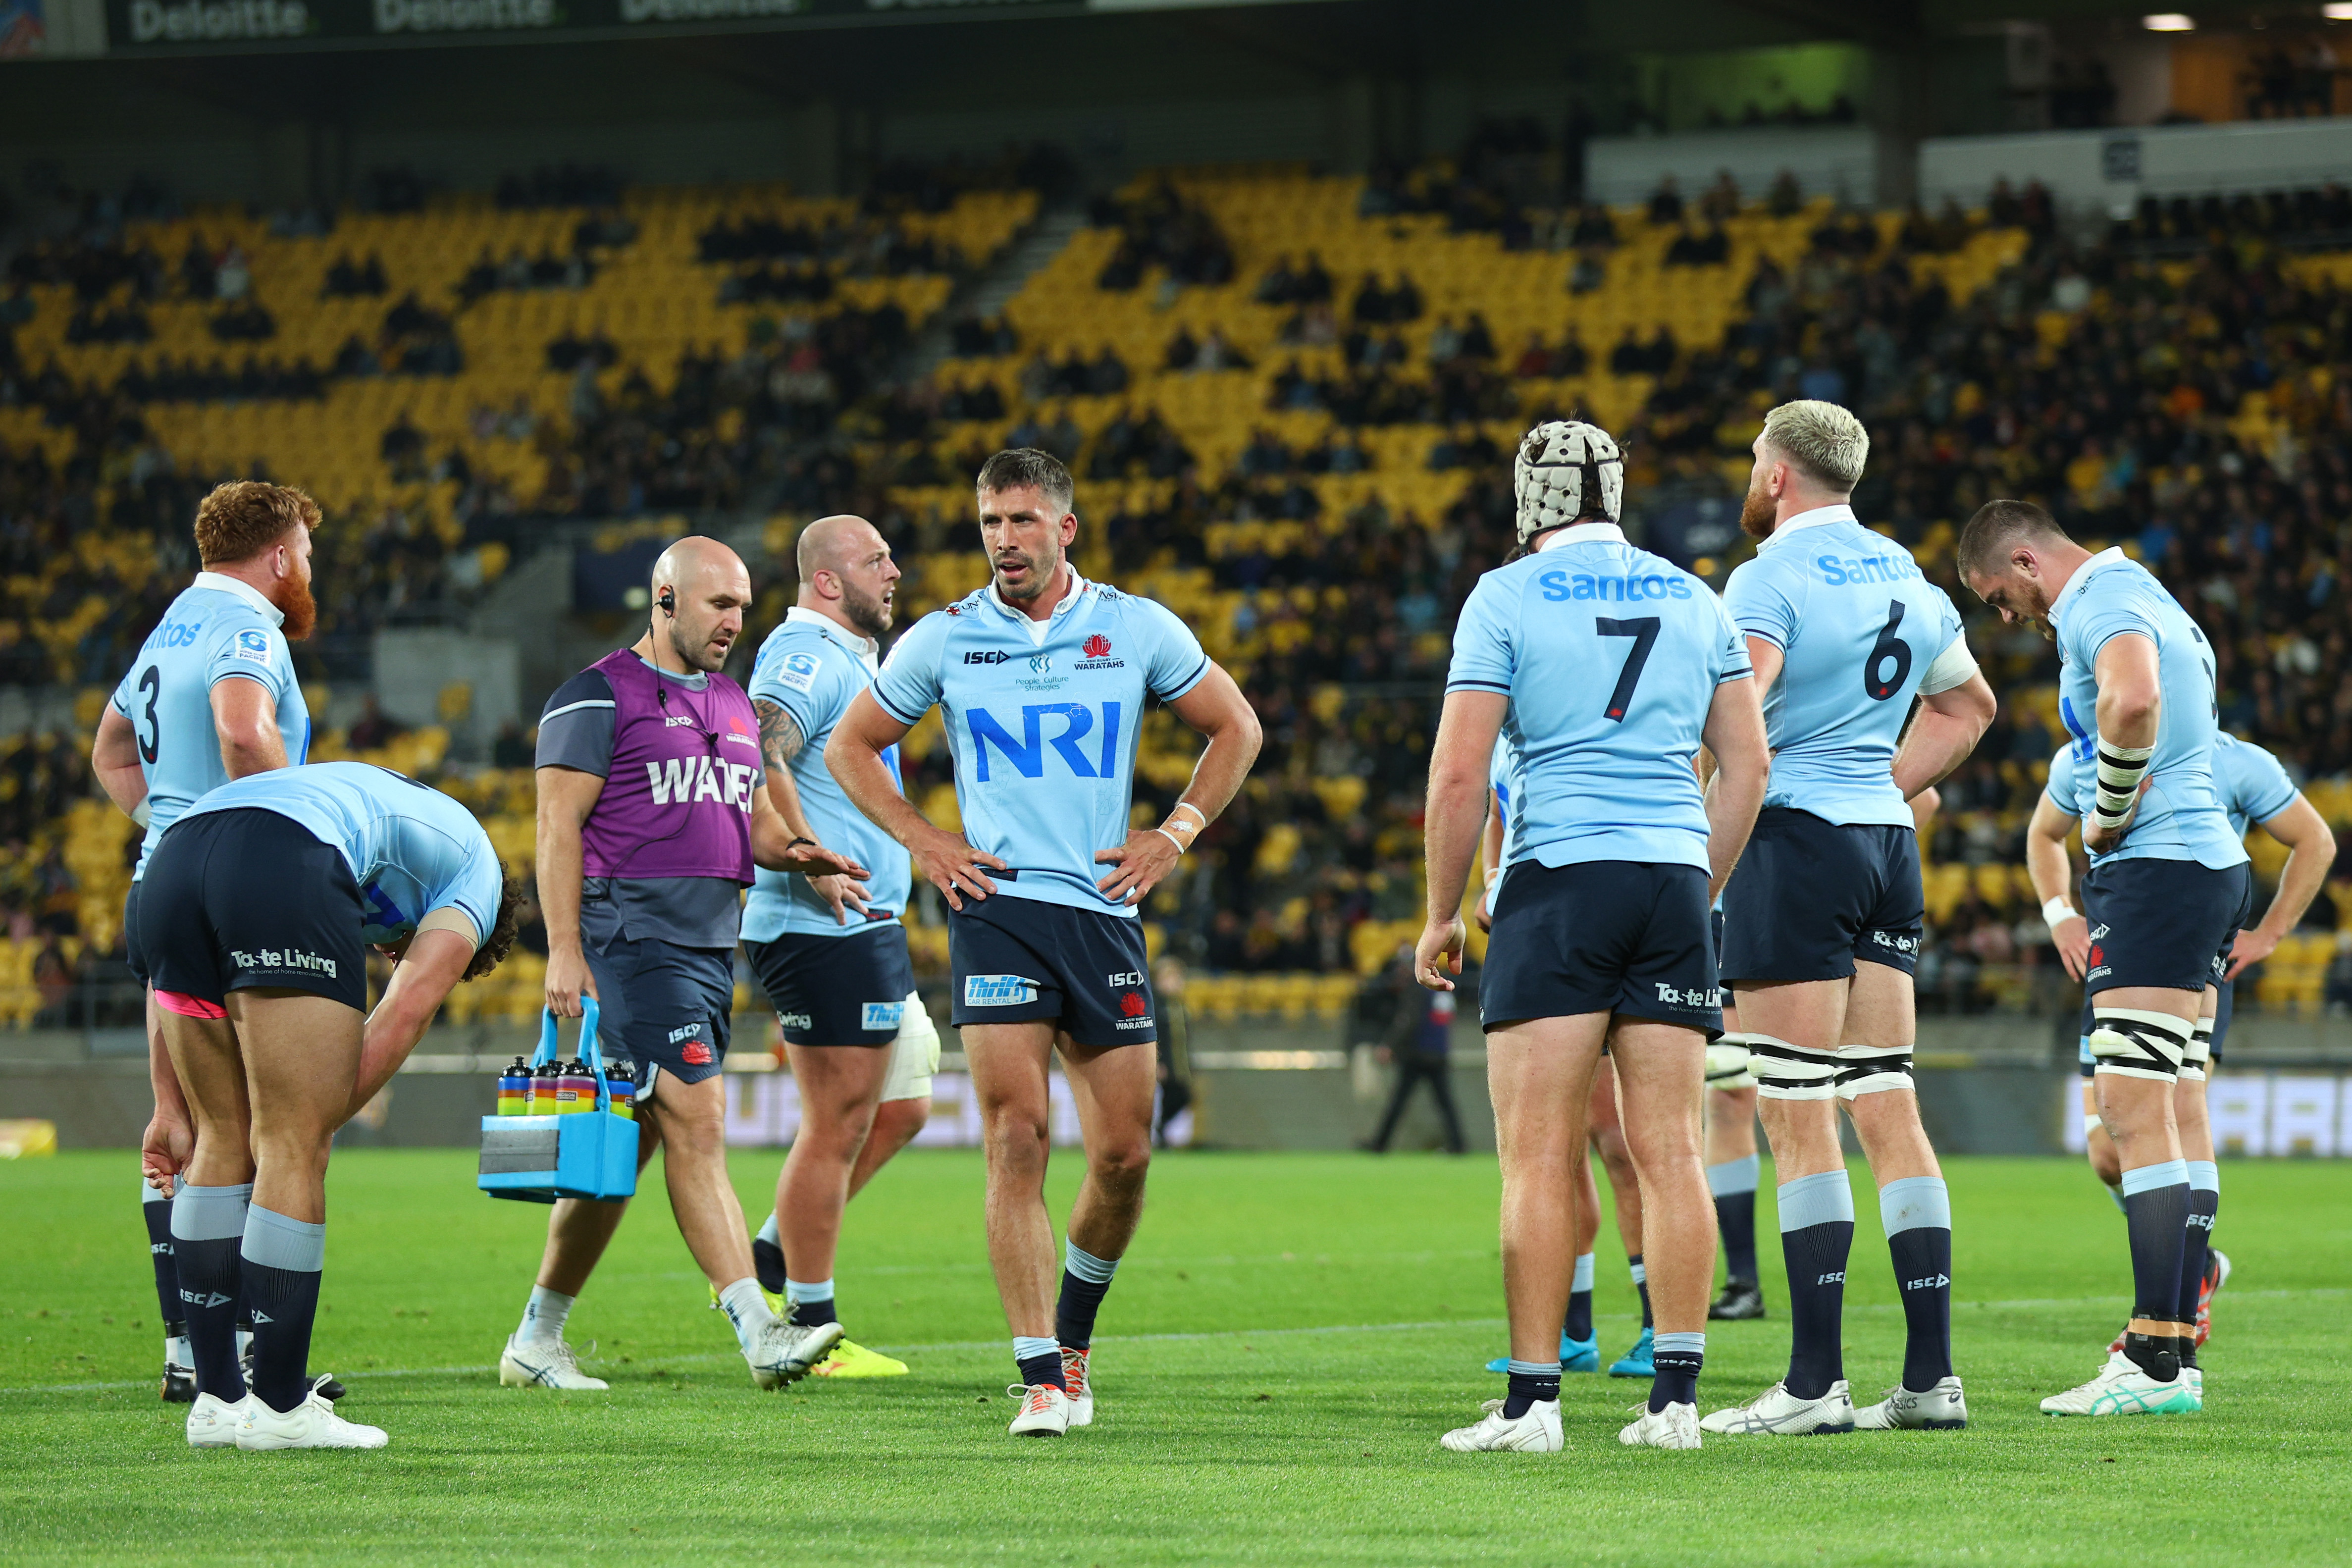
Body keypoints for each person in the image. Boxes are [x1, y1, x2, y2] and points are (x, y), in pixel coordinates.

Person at [829, 447, 1261, 1438]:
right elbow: (851, 744)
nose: (1003, 539)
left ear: (1065, 528)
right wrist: (924, 838)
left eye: (1022, 520)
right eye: (989, 521)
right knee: (1014, 1130)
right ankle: (1036, 1374)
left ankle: (1072, 1335)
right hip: (995, 907)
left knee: (1124, 1155)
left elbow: (1234, 728)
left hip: (1103, 909)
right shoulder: (944, 638)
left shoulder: (1136, 625)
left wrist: (1173, 833)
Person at [1417, 418, 1769, 1454]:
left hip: (1557, 880)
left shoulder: (1504, 595)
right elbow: (1746, 766)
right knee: (1671, 1151)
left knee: (1534, 1151)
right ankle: (1674, 1402)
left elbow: (1456, 773)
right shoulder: (1692, 594)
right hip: (1667, 881)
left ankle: (1531, 1404)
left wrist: (1440, 909)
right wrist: (1696, 879)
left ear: (1529, 499)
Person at [499, 537, 862, 1395]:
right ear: (664, 601)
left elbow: (756, 825)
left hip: (706, 947)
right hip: (630, 942)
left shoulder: (736, 703)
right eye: (718, 605)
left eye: (741, 605)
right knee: (699, 1121)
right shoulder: (593, 697)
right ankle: (758, 1329)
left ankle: (535, 1337)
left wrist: (805, 854)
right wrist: (563, 949)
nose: (735, 621)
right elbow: (556, 830)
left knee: (623, 1153)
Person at [1704, 402, 1996, 1439]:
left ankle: (1813, 1382)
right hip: (1884, 847)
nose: (1749, 474)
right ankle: (1928, 1379)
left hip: (1794, 843)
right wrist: (1880, 775)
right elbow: (1970, 708)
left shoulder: (1766, 578)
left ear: (1778, 473)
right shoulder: (1903, 575)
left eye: (1751, 460)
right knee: (1885, 1099)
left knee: (1793, 1104)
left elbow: (1736, 722)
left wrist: (1699, 859)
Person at [1958, 498, 2251, 1419]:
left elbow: (2130, 699)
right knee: (2159, 1107)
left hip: (2157, 869)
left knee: (2129, 1111)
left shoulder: (2098, 601)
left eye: (1997, 594)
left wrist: (2109, 809)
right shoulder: (2151, 595)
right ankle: (2164, 1351)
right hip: (2198, 868)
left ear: (2023, 559)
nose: (2005, 615)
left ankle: (2154, 1364)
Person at [135, 761, 523, 1449]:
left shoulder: (400, 821)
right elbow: (405, 1008)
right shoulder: (479, 883)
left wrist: (174, 1104)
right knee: (292, 1141)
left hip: (172, 862)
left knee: (223, 1132)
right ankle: (282, 1407)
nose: (386, 948)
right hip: (280, 858)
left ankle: (217, 1401)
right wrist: (309, 1114)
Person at [87, 480, 322, 1408]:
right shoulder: (247, 626)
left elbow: (110, 748)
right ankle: (255, 1360)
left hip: (164, 882)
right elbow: (241, 730)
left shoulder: (171, 626)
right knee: (259, 1130)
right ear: (275, 556)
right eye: (304, 553)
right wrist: (295, 832)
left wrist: (169, 827)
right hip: (238, 894)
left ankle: (191, 1349)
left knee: (175, 1130)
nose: (307, 570)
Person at [2026, 731, 2328, 1355]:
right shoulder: (2086, 753)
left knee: (2176, 1115)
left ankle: (2177, 1305)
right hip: (2118, 951)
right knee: (2109, 1154)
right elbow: (2043, 833)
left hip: (2193, 959)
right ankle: (2200, 1265)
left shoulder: (2235, 760)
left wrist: (2268, 935)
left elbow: (2314, 840)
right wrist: (2061, 914)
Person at [735, 515, 936, 1379]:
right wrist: (805, 855)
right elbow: (756, 746)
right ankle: (808, 1327)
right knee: (837, 1122)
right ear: (825, 581)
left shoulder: (849, 656)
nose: (894, 570)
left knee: (904, 1103)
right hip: (818, 924)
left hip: (863, 923)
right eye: (875, 559)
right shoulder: (805, 657)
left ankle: (777, 1248)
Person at [1474, 747, 1658, 1378]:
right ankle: (1573, 1330)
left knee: (1620, 1142)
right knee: (1563, 1143)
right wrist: (1491, 879)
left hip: (1605, 916)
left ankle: (1659, 1323)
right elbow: (1497, 811)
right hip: (1539, 925)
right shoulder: (1505, 722)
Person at [1361, 946, 1467, 1155]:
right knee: (1445, 1104)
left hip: (1418, 1054)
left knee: (1398, 1103)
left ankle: (1380, 1144)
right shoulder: (1442, 986)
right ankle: (1458, 1145)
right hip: (1438, 1053)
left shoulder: (1417, 987)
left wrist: (1389, 1045)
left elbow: (1407, 1021)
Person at [1151, 956, 1195, 1148]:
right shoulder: (1156, 1005)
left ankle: (1160, 1132)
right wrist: (1158, 1062)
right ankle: (1157, 1133)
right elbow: (1156, 1036)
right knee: (1171, 1097)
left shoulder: (1179, 1006)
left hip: (1180, 1063)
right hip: (1166, 1063)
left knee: (1182, 1096)